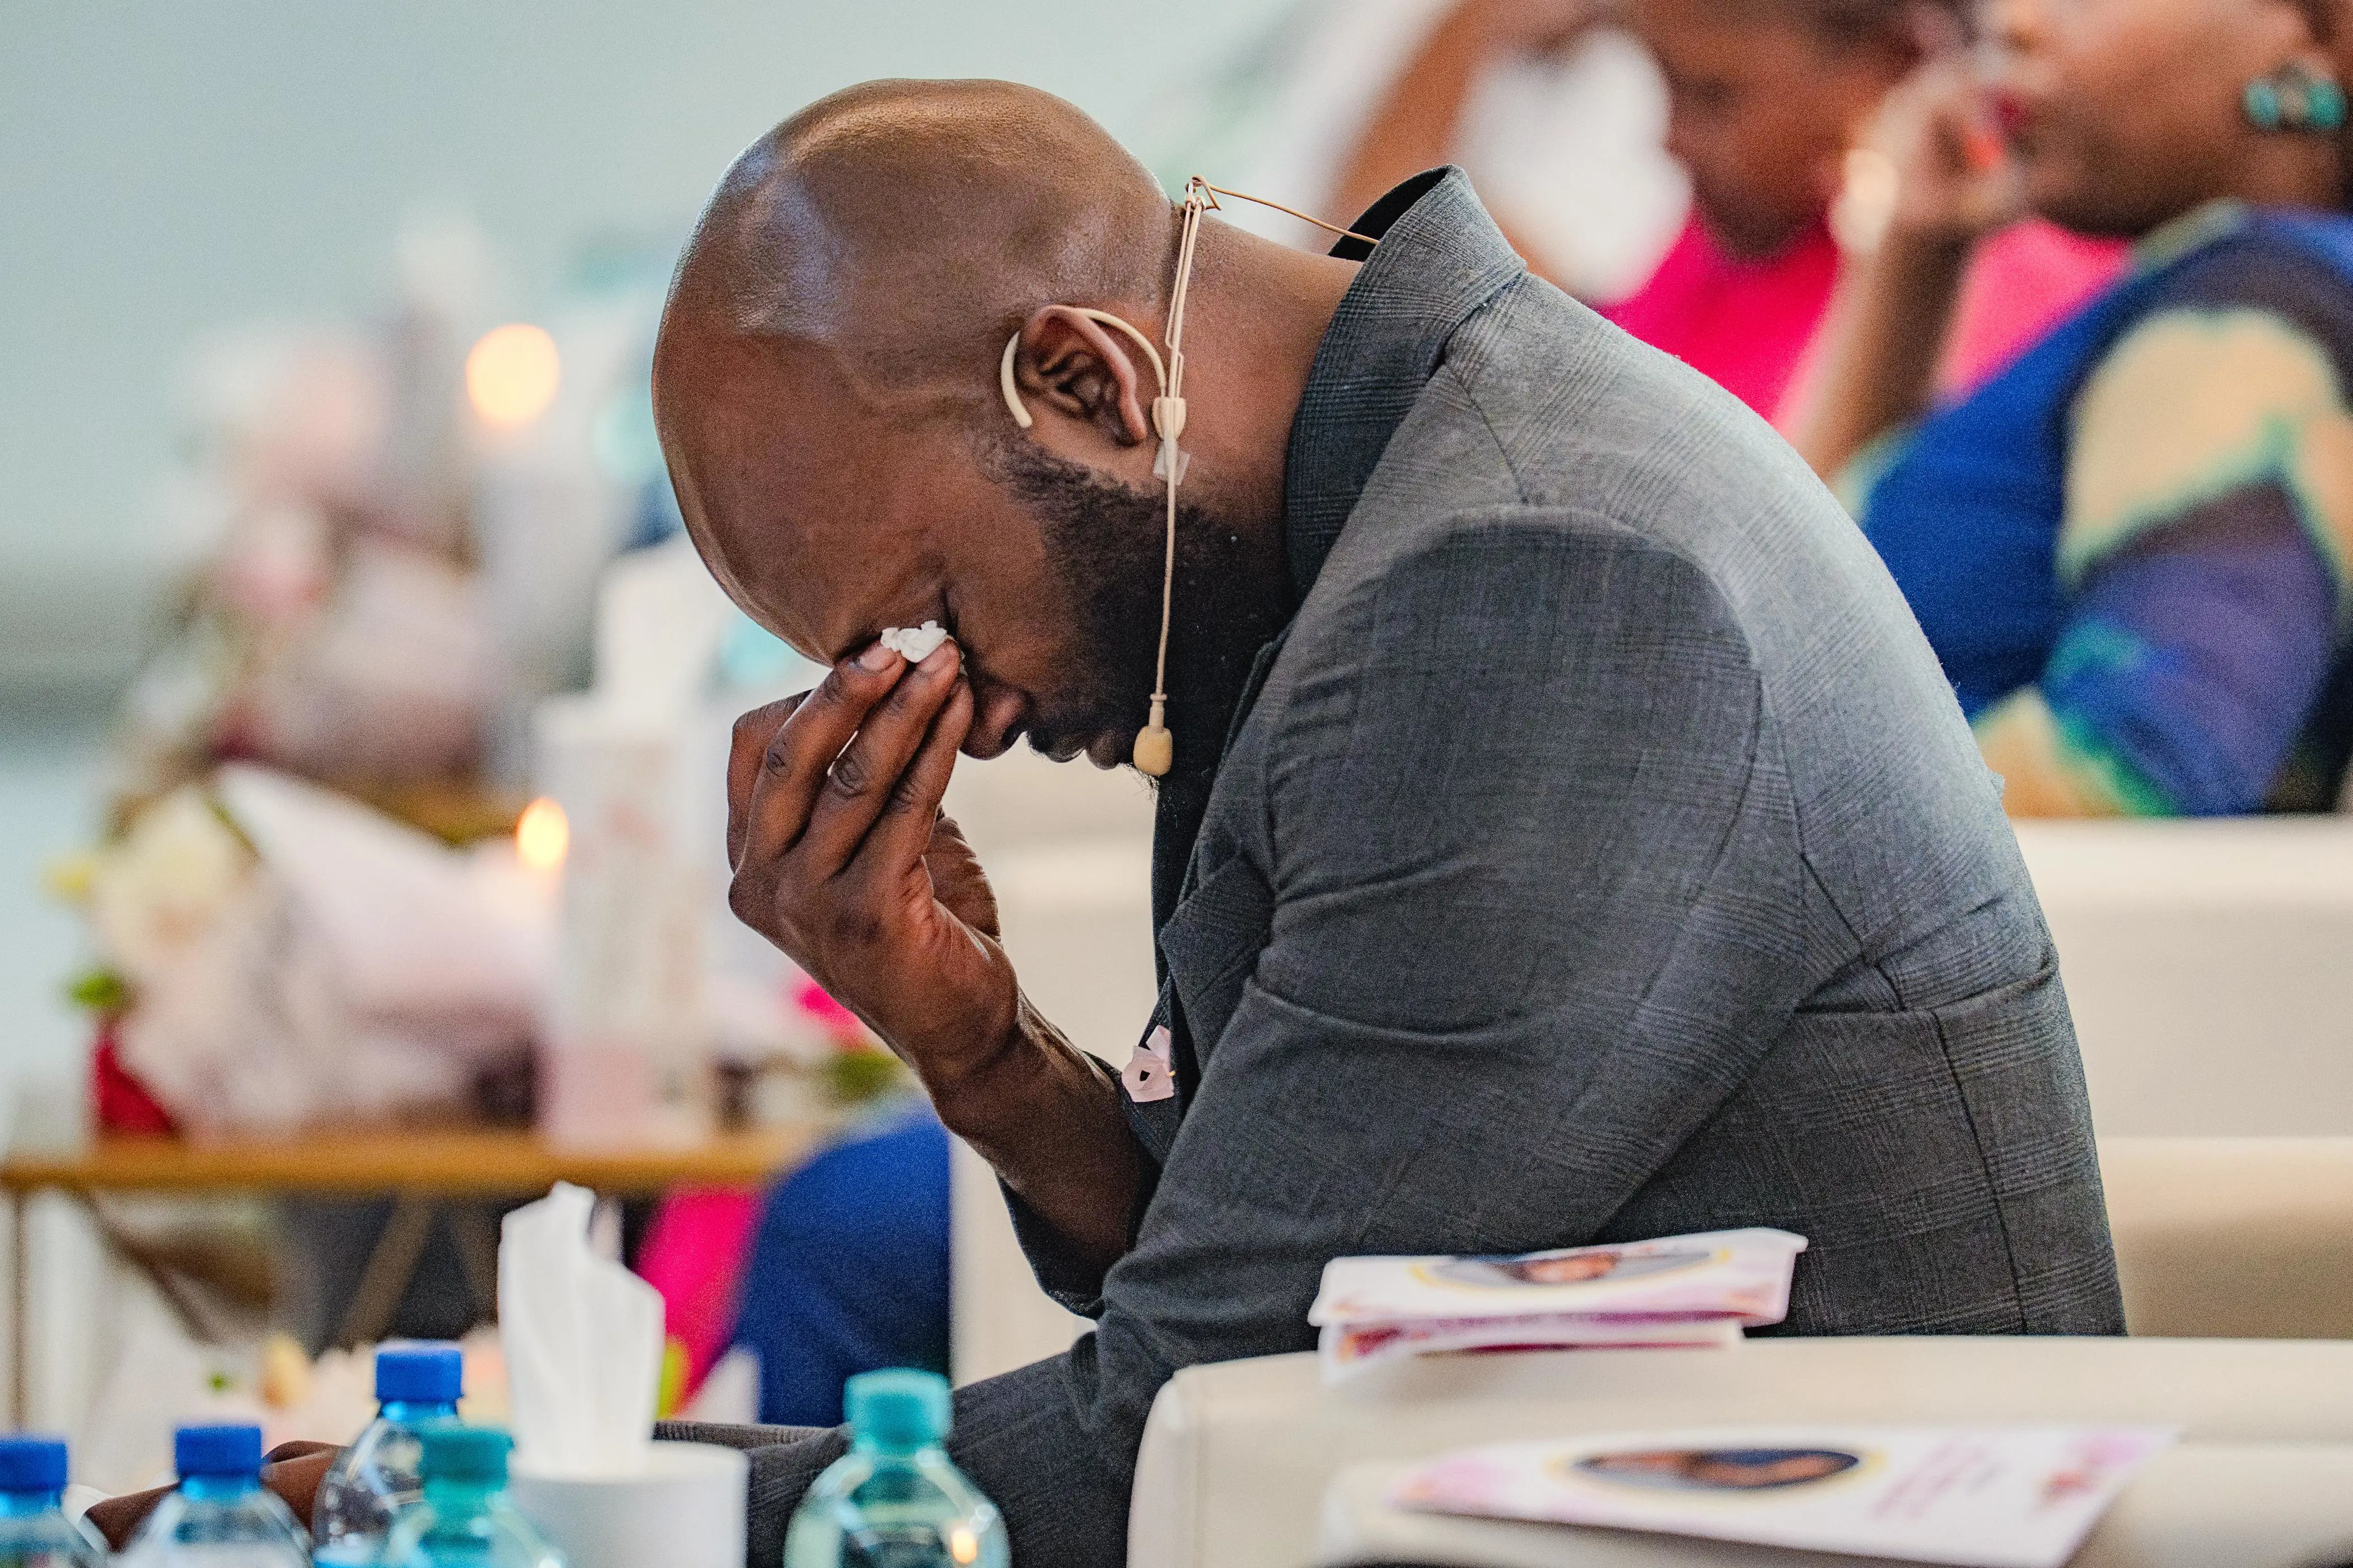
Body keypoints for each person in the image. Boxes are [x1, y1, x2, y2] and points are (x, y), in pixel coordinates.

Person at [91, 79, 2123, 1567]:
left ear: (1081, 377)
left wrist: (527, 1511)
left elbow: (1181, 1436)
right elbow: (1295, 1302)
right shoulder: (1385, 513)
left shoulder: (1529, 577)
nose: (944, 714)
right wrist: (984, 1050)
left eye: (927, 616)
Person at [1796, 0, 2353, 816]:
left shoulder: (2253, 313)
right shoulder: (2221, 289)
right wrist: (1917, 254)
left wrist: (1763, 849)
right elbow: (1792, 571)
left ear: (2309, 34)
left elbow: (2134, 773)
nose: (2015, 23)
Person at [1332, 0, 2124, 425]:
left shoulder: (1984, 294)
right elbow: (1385, 245)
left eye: (1712, 96)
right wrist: (1481, 21)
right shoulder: (1730, 252)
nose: (1668, 138)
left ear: (1897, 62)